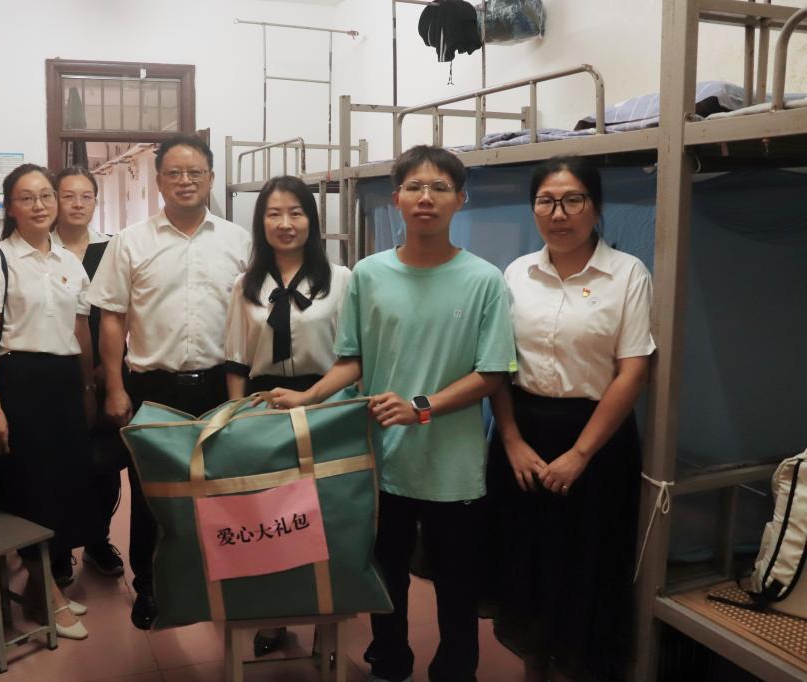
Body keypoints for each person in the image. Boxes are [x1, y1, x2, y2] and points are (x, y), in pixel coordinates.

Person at [270, 146, 517, 682]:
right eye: (415, 187)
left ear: (460, 200)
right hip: (381, 460)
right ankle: (389, 662)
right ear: (397, 197)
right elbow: (352, 360)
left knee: (456, 584)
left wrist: (420, 407)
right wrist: (309, 398)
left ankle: (456, 671)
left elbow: (492, 373)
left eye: (440, 188)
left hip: (453, 468)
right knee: (385, 575)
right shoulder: (369, 274)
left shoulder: (484, 280)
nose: (426, 198)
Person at [487, 156, 654, 682]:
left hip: (597, 439)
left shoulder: (627, 273)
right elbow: (498, 365)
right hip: (523, 432)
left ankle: (580, 669)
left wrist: (580, 454)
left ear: (596, 207)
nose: (558, 214)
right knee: (526, 559)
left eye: (573, 199)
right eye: (546, 201)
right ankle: (534, 665)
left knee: (589, 563)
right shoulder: (517, 273)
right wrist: (510, 440)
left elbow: (633, 371)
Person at [88, 134, 250, 630]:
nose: (185, 181)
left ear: (211, 179)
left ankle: (215, 583)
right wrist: (115, 386)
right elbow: (112, 317)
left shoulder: (238, 241)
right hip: (152, 387)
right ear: (158, 181)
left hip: (221, 386)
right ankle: (150, 587)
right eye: (174, 173)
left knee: (220, 488)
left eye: (194, 172)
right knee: (151, 494)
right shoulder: (130, 242)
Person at [223, 175, 352, 657]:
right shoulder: (245, 285)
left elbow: (351, 355)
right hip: (264, 410)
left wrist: (314, 398)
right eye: (274, 213)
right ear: (260, 222)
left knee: (326, 518)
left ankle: (326, 624)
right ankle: (274, 618)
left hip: (325, 406)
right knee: (271, 519)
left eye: (296, 212)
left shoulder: (341, 280)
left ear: (312, 220)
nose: (285, 223)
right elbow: (236, 358)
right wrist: (237, 417)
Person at [0, 163, 100, 640]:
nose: (40, 205)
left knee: (62, 487)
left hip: (64, 383)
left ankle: (39, 589)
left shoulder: (69, 261)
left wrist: (88, 389)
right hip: (20, 382)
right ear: (11, 207)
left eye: (46, 195)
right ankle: (48, 594)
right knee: (29, 489)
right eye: (26, 198)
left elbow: (81, 332)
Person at [52, 165, 125, 584]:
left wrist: (109, 367)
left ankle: (98, 540)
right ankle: (59, 547)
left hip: (104, 368)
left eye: (86, 196)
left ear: (96, 201)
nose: (78, 204)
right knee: (58, 462)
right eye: (68, 196)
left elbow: (124, 311)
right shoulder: (42, 249)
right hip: (55, 370)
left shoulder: (112, 248)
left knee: (104, 460)